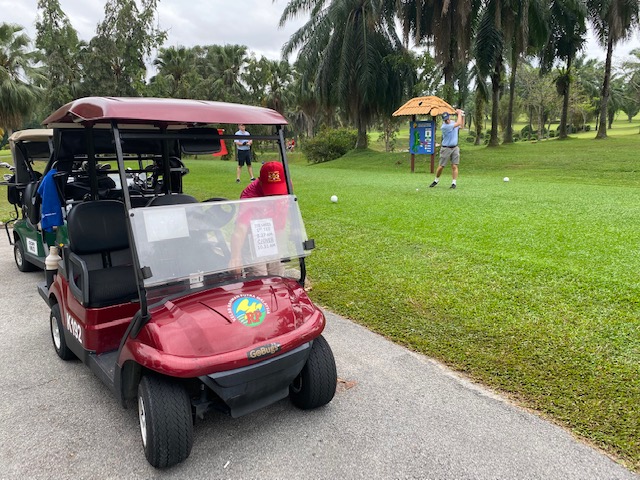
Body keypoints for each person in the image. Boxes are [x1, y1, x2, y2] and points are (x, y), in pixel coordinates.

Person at [229, 161, 289, 277]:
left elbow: (290, 206)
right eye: (271, 191)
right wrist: (235, 257)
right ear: (260, 181)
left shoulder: (287, 185)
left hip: (276, 235)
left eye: (277, 190)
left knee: (277, 276)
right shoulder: (249, 195)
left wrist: (295, 230)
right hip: (255, 238)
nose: (275, 196)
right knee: (259, 276)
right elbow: (241, 228)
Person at [429, 109, 465, 189]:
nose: (447, 121)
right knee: (441, 166)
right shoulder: (444, 127)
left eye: (447, 119)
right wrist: (459, 113)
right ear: (443, 120)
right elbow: (458, 123)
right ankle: (436, 180)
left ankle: (454, 183)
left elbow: (461, 126)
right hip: (446, 148)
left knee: (454, 166)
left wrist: (462, 115)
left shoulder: (453, 123)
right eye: (445, 120)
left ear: (449, 117)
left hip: (455, 147)